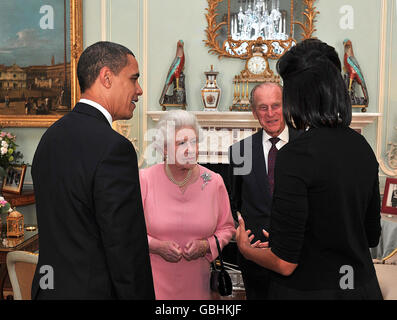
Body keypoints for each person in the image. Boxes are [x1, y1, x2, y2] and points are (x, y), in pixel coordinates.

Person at [236, 38, 383, 300]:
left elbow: (284, 262)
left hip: (308, 292)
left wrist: (246, 250)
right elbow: (371, 236)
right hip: (361, 288)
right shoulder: (362, 146)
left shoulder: (296, 154)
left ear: (297, 97)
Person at [31, 41, 155, 299]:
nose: (139, 90)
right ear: (107, 78)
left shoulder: (49, 138)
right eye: (133, 79)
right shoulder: (114, 149)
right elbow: (124, 248)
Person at [139, 110, 235, 299]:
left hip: (199, 286)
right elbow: (129, 231)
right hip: (153, 285)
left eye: (193, 142)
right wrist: (156, 246)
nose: (190, 149)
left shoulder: (213, 182)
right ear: (165, 149)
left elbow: (227, 228)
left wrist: (205, 246)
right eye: (181, 143)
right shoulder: (145, 180)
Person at [228, 81, 301, 299]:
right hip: (255, 259)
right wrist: (241, 235)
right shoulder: (240, 151)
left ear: (286, 106)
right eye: (263, 107)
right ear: (253, 112)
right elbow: (235, 202)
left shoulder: (306, 146)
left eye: (276, 105)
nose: (270, 113)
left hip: (297, 258)